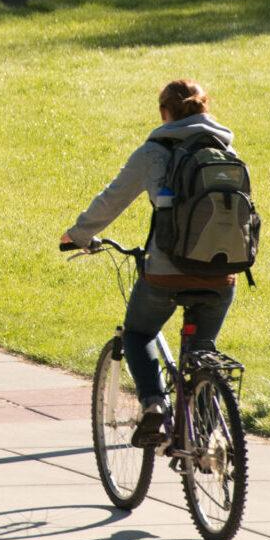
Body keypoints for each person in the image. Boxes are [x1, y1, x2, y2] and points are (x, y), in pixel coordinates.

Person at [59, 80, 239, 449]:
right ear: (205, 109)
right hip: (223, 273)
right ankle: (206, 440)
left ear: (164, 114)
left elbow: (112, 199)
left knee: (138, 333)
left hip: (165, 271)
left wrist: (77, 235)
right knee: (203, 349)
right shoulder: (226, 149)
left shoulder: (154, 152)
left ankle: (154, 405)